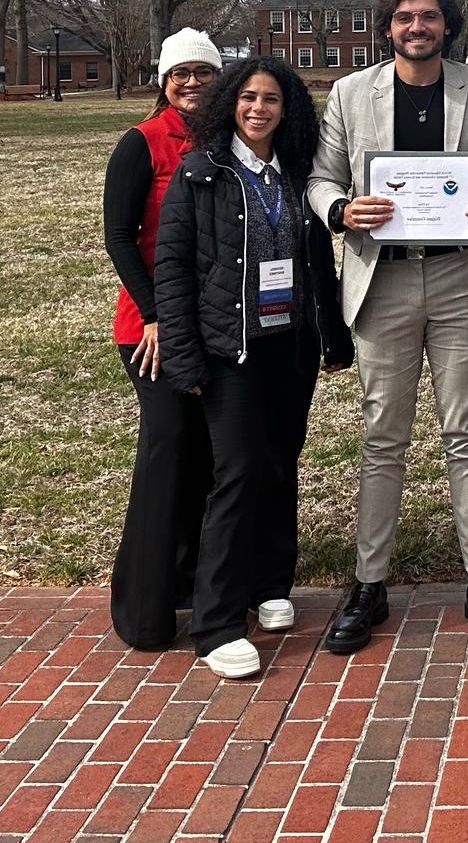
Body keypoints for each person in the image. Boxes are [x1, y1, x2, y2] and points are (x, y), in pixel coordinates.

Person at [307, 0, 468, 653]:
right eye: (405, 17)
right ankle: (369, 582)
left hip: (460, 275)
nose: (417, 27)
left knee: (465, 428)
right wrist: (342, 211)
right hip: (384, 278)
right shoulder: (349, 93)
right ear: (388, 26)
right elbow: (321, 178)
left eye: (429, 16)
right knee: (382, 436)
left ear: (446, 25)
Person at [155, 56, 353, 677]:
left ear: (287, 110)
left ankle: (271, 586)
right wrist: (184, 356)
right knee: (236, 473)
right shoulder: (202, 174)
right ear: (228, 106)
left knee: (278, 466)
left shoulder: (295, 177)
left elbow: (319, 263)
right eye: (247, 98)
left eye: (271, 99)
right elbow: (173, 270)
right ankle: (215, 624)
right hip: (229, 350)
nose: (258, 109)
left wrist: (333, 336)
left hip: (288, 347)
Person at [103, 27, 222, 650]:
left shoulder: (229, 141)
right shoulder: (141, 143)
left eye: (205, 70)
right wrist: (155, 314)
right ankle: (143, 605)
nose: (193, 81)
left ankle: (194, 583)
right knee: (167, 449)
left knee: (206, 456)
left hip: (216, 325)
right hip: (152, 329)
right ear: (164, 81)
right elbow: (120, 237)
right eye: (182, 72)